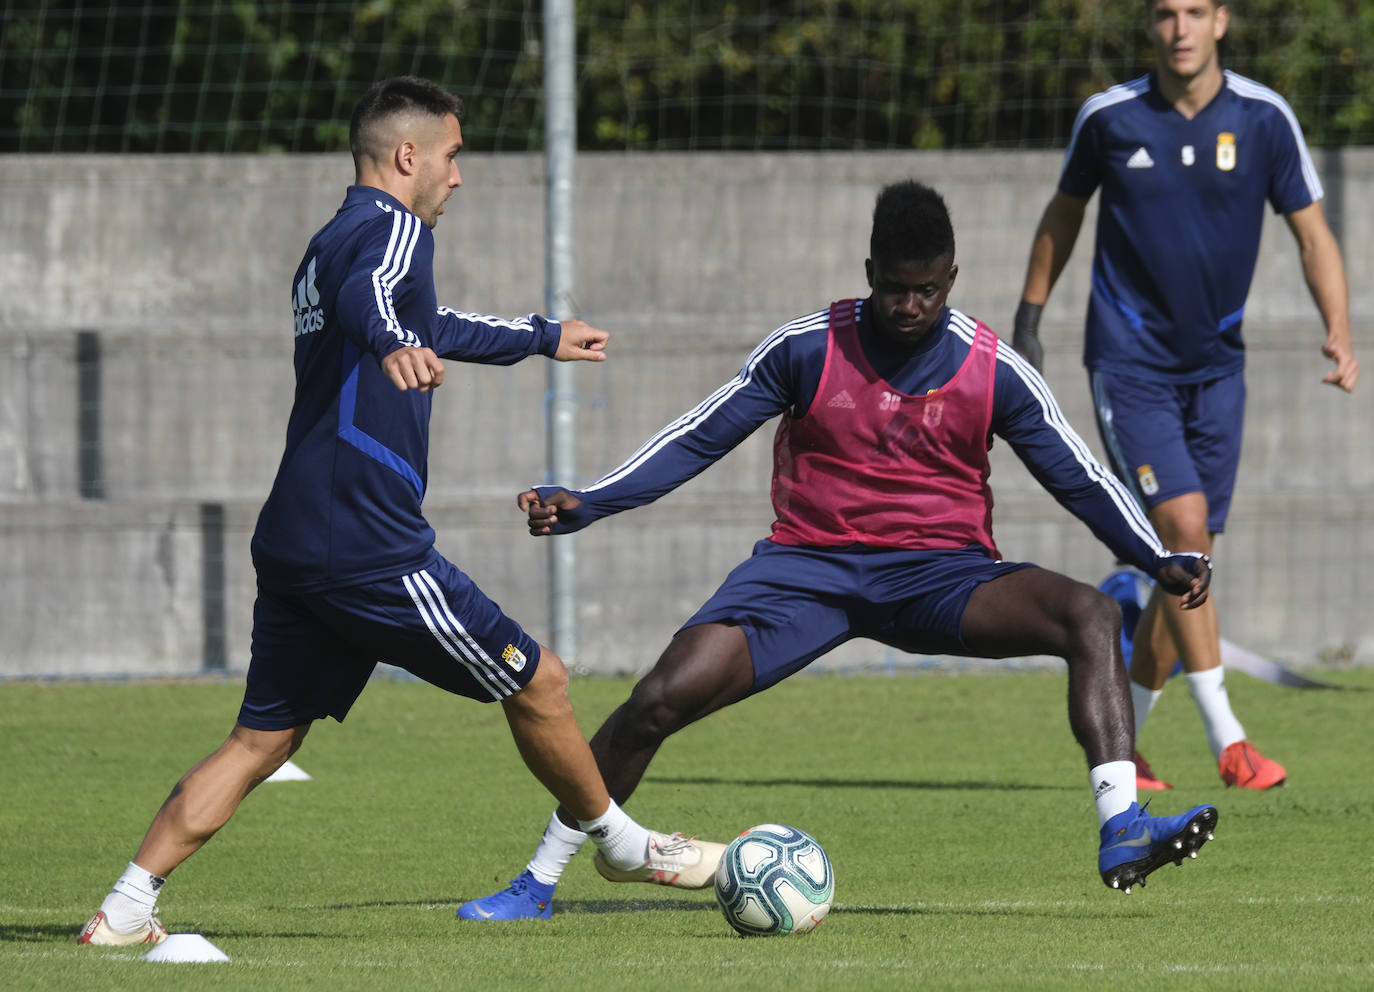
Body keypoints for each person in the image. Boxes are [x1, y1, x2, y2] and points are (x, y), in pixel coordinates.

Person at [456, 179, 1219, 922]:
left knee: (1086, 614)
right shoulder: (808, 348)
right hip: (805, 575)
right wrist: (594, 500)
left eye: (927, 289)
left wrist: (1155, 558)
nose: (911, 306)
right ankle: (538, 881)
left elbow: (1079, 475)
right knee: (658, 699)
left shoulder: (993, 369)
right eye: (895, 288)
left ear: (952, 277)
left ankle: (1121, 828)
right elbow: (700, 434)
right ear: (869, 274)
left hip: (941, 577)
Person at [77, 76, 717, 947]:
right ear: (408, 155)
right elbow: (377, 304)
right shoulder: (388, 232)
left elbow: (422, 317)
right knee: (540, 680)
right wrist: (392, 342)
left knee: (264, 739)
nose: (458, 176)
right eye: (452, 156)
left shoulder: (333, 239)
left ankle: (124, 908)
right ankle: (619, 840)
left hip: (299, 536)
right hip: (365, 541)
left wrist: (538, 336)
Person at [1012, 0, 1358, 792]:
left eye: (1195, 11)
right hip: (1129, 366)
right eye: (1166, 13)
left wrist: (1338, 328)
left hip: (1218, 371)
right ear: (1151, 27)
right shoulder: (1110, 118)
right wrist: (1029, 322)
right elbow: (1063, 214)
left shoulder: (1266, 120)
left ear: (1222, 21)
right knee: (1186, 535)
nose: (1180, 27)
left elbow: (1313, 232)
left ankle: (1124, 744)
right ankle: (1231, 743)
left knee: (1187, 569)